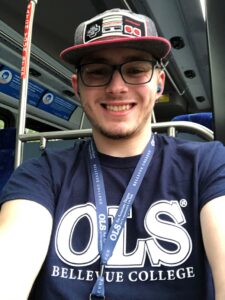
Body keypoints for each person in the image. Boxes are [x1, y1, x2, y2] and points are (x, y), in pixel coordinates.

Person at [0, 8, 225, 300]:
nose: (117, 87)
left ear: (159, 83)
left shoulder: (207, 164)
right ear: (77, 87)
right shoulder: (40, 175)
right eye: (97, 71)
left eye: (135, 69)